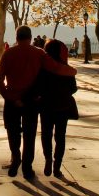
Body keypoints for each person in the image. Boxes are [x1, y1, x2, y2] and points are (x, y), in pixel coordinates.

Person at [0, 25, 78, 180]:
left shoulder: (8, 53)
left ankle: (15, 155)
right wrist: (73, 71)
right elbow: (56, 68)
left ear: (17, 37)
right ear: (31, 38)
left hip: (12, 99)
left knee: (12, 131)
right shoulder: (38, 53)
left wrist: (7, 94)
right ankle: (27, 168)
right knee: (29, 134)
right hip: (30, 100)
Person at [32, 39, 78, 178]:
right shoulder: (65, 68)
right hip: (63, 106)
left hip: (46, 106)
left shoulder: (42, 68)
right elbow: (73, 88)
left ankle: (47, 159)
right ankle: (57, 166)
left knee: (46, 134)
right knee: (60, 137)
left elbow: (37, 87)